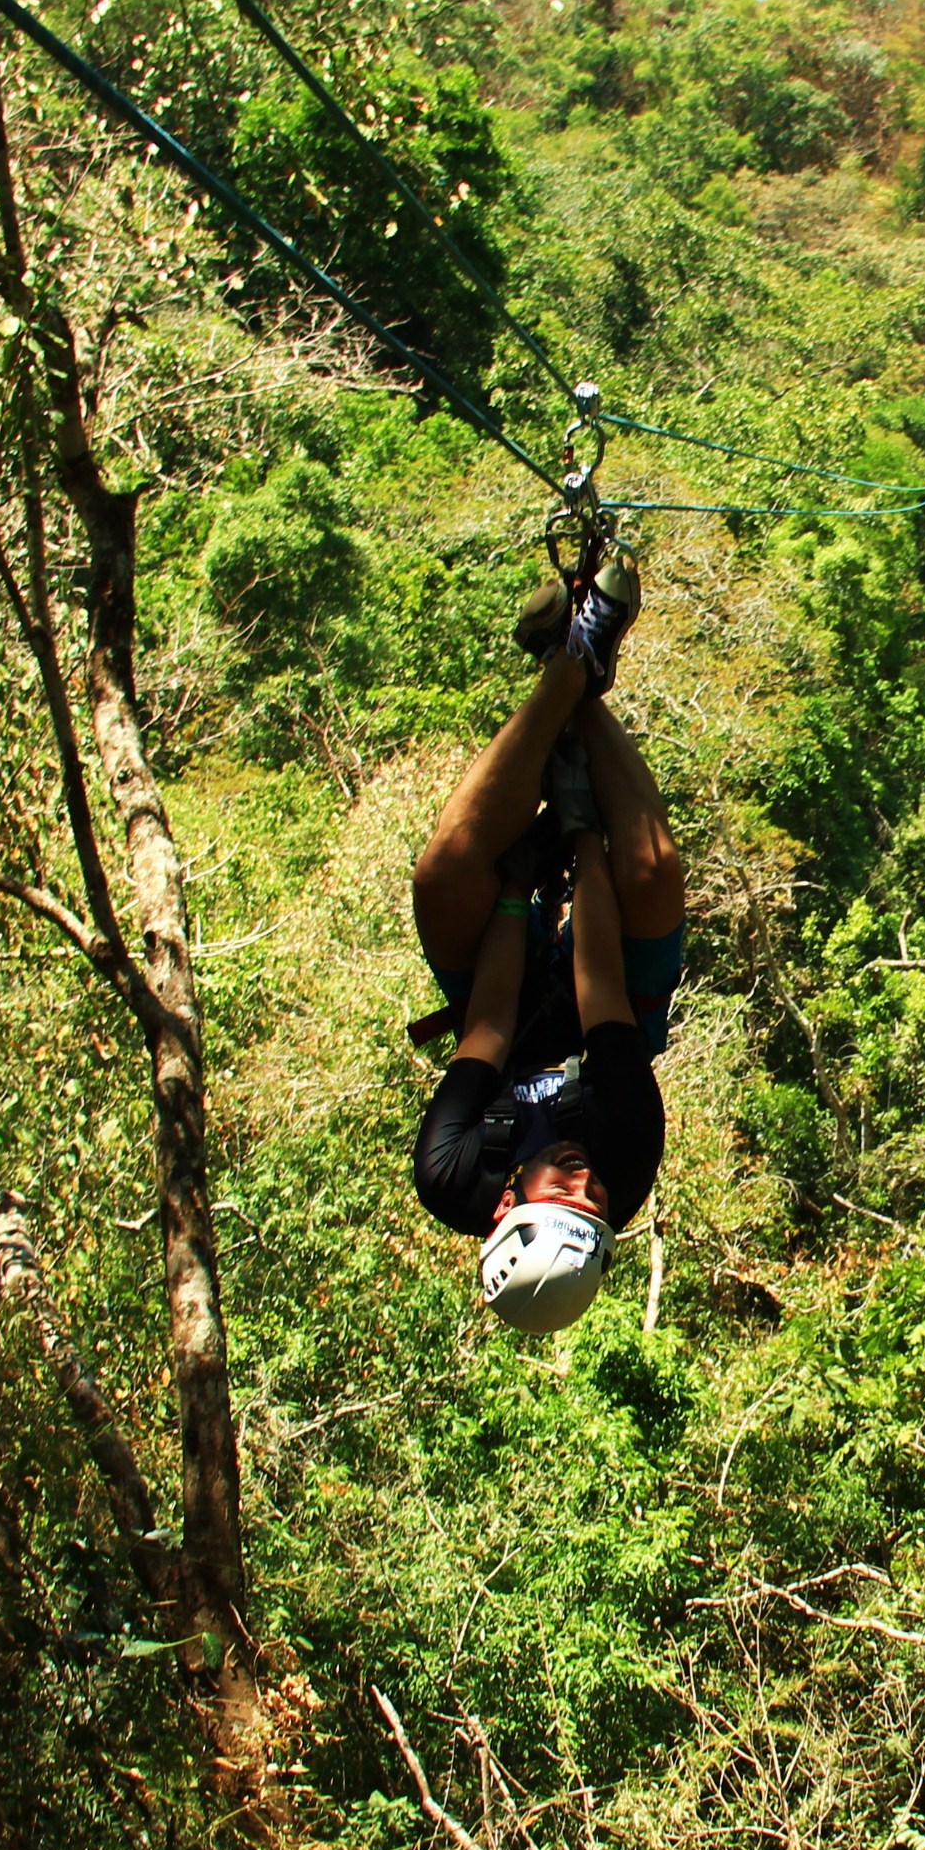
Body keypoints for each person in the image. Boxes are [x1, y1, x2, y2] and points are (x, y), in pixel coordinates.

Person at [409, 554, 686, 1334]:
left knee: (442, 875)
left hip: (506, 1004)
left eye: (563, 1195)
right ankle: (576, 667)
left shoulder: (451, 1174)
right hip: (610, 1010)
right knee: (651, 870)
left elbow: (489, 1024)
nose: (585, 1183)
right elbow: (602, 991)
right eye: (594, 1204)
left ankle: (565, 663)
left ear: (505, 1204)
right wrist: (582, 836)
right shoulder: (628, 1155)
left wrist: (517, 883)